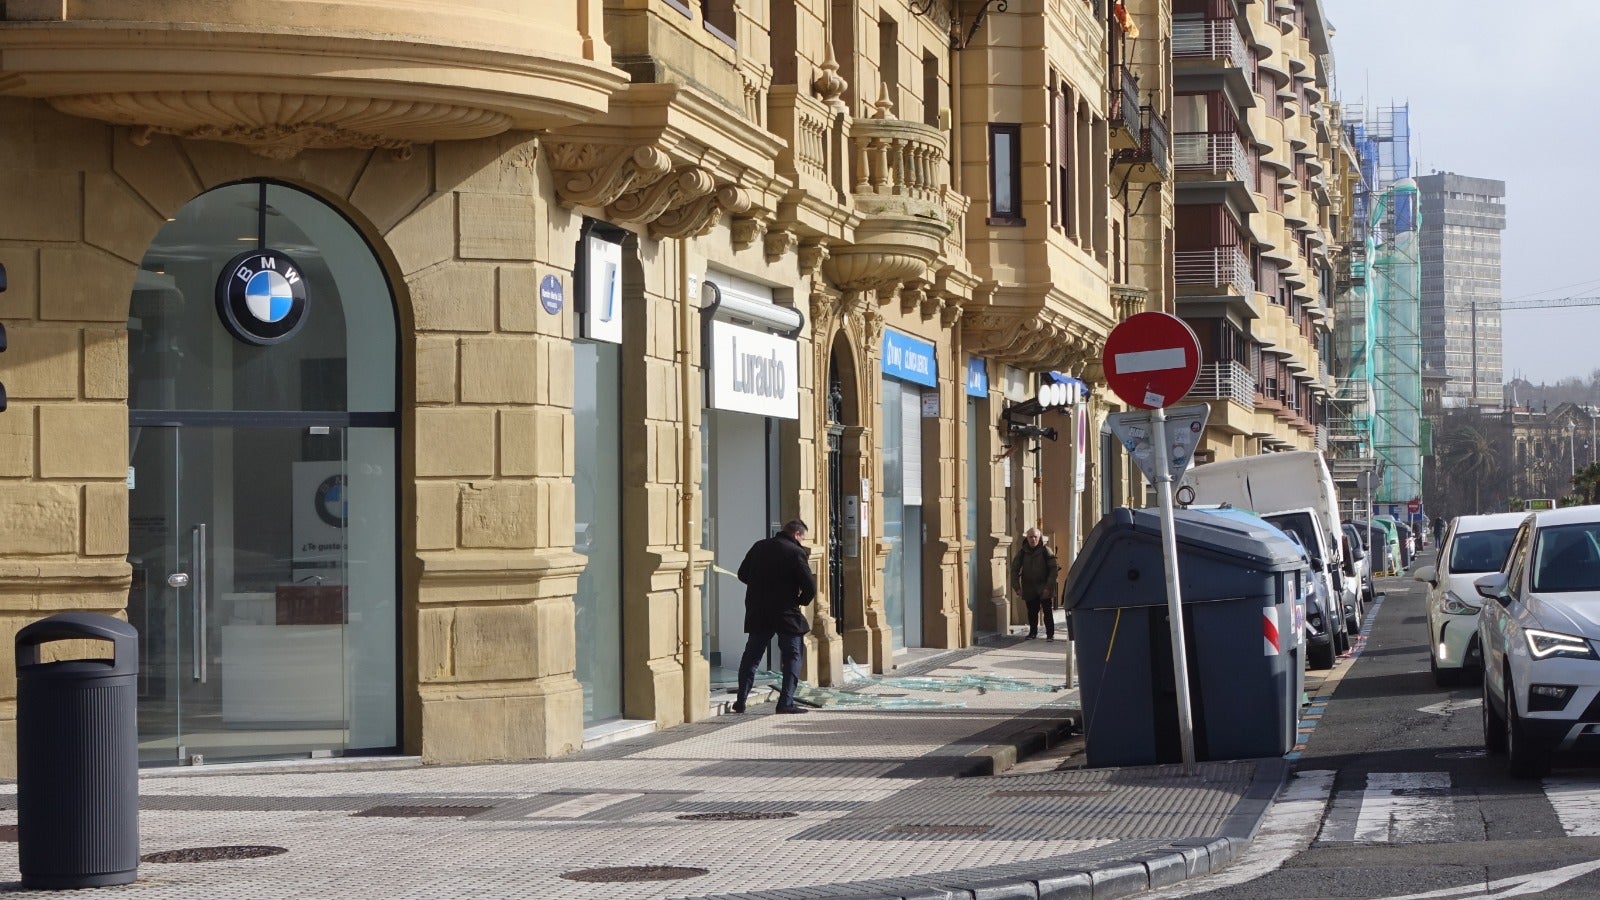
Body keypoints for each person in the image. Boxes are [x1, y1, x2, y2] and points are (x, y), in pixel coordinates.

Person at [732, 519, 817, 714]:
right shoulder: (795, 552)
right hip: (786, 612)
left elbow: (742, 574)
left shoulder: (759, 546)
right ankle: (785, 702)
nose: (802, 542)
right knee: (792, 655)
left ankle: (741, 700)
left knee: (752, 655)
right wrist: (800, 600)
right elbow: (810, 587)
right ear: (797, 534)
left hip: (758, 610)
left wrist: (760, 587)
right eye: (803, 538)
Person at [1009, 527, 1060, 641]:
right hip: (1029, 587)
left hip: (1044, 586)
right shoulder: (1022, 552)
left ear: (1039, 538)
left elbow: (1053, 569)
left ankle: (1050, 634)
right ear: (1027, 538)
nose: (1033, 539)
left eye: (1035, 537)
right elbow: (1014, 569)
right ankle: (1033, 632)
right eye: (1030, 537)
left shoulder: (1046, 551)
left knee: (1047, 612)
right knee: (1032, 612)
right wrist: (1017, 587)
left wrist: (1048, 587)